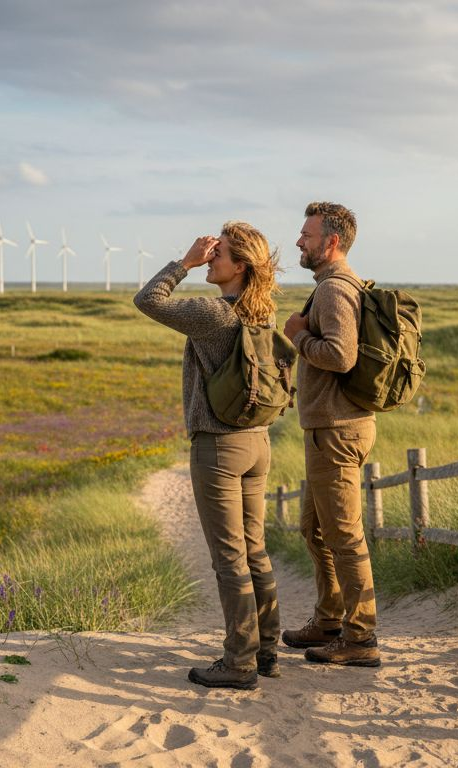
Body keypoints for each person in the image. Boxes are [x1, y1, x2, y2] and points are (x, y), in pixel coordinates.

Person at [134, 221, 285, 690]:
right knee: (255, 550)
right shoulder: (262, 314)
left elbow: (148, 300)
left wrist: (184, 263)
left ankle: (238, 662)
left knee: (229, 559)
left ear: (239, 266)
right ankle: (266, 650)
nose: (209, 256)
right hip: (257, 442)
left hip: (218, 445)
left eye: (218, 253)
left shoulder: (214, 313)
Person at [280, 201, 381, 667]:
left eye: (307, 235)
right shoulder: (333, 286)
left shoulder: (334, 290)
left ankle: (360, 638)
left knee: (343, 536)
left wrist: (297, 336)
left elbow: (341, 356)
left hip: (337, 430)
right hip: (332, 427)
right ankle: (328, 620)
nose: (299, 241)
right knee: (315, 528)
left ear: (332, 241)